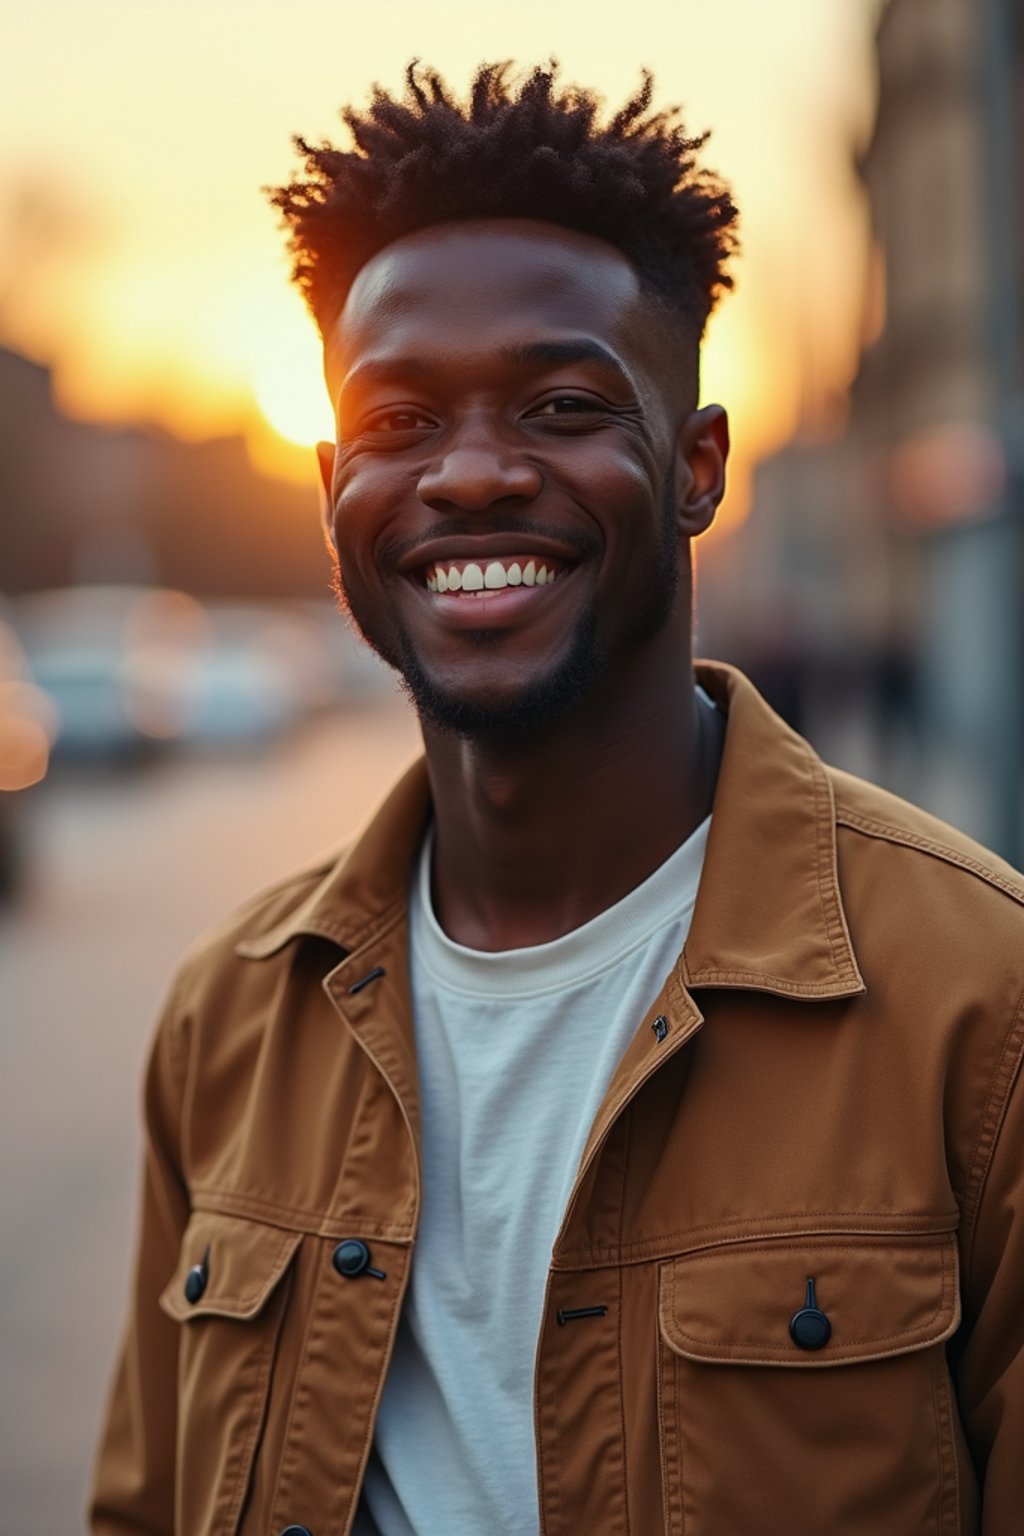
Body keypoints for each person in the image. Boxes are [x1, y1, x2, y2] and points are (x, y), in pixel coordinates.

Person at [89, 63, 1024, 1536]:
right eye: (398, 425)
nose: (469, 474)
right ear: (331, 483)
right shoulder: (228, 1019)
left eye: (563, 401)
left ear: (698, 466)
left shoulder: (982, 998)